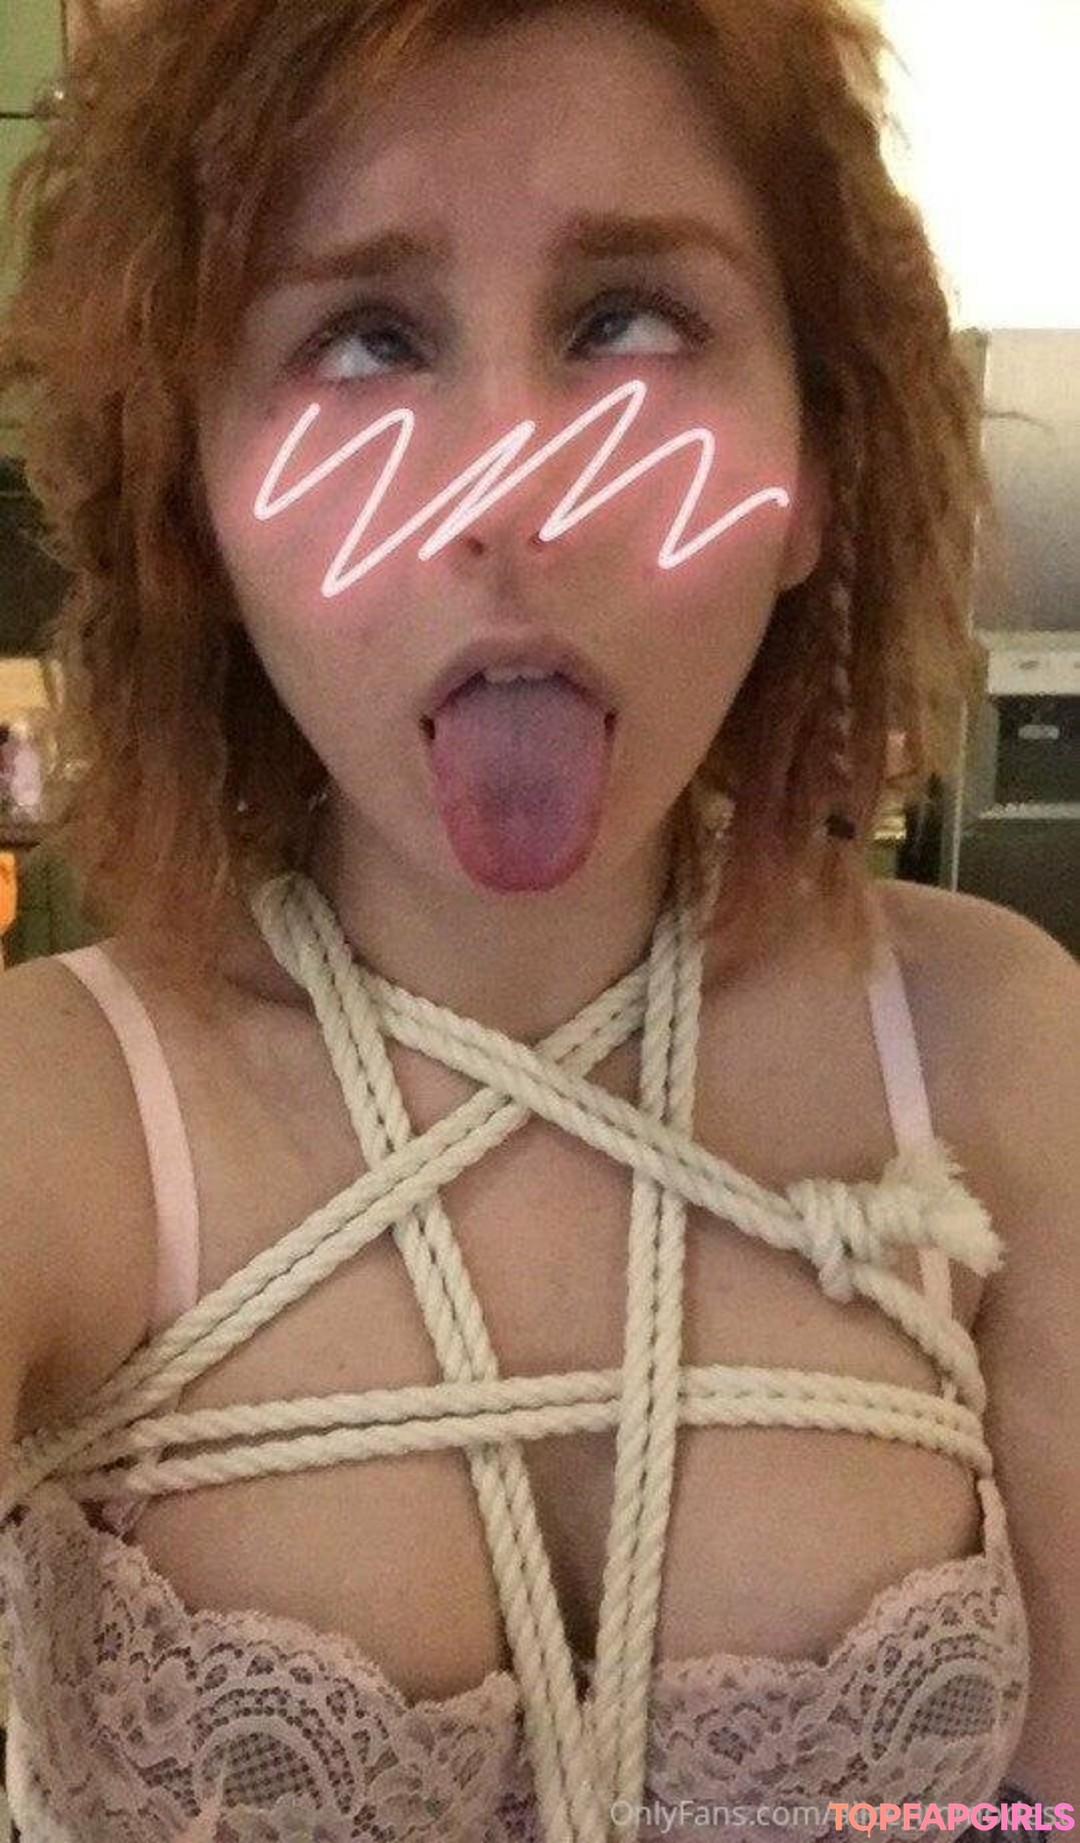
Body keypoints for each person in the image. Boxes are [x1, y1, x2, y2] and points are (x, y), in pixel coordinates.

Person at [0, 2, 1076, 1839]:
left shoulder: (991, 1051)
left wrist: (904, 1834)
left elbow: (1051, 1798)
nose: (512, 491)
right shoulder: (66, 1119)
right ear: (198, 499)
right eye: (367, 335)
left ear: (816, 466)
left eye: (629, 320)